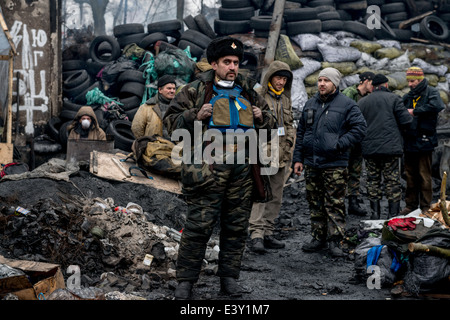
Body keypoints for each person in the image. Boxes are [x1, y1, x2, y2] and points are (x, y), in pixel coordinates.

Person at [163, 36, 276, 299]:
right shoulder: (194, 90)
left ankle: (229, 280)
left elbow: (272, 126)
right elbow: (170, 124)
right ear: (214, 64)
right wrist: (194, 115)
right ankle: (186, 282)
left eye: (236, 62)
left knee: (236, 228)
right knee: (199, 226)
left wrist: (263, 118)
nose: (232, 67)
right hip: (208, 169)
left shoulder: (248, 90)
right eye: (227, 62)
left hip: (243, 171)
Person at [293, 67, 366, 257]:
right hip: (311, 162)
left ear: (335, 83)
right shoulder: (311, 104)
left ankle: (335, 241)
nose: (321, 84)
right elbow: (301, 132)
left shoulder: (347, 105)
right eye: (319, 80)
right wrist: (298, 158)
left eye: (326, 81)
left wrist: (340, 144)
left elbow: (360, 128)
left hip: (334, 163)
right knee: (314, 202)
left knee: (334, 203)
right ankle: (318, 237)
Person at [248, 60, 295, 254]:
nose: (281, 82)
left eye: (284, 79)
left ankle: (267, 231)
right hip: (261, 154)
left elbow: (290, 123)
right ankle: (256, 234)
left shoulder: (285, 99)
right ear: (270, 77)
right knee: (260, 193)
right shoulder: (258, 96)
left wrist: (290, 142)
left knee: (276, 195)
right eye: (278, 78)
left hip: (281, 154)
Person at [358, 74, 412, 219]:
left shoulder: (362, 102)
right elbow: (406, 121)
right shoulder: (394, 99)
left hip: (370, 150)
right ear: (386, 85)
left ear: (373, 86)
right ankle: (393, 215)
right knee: (392, 181)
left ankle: (375, 215)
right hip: (390, 149)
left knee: (372, 181)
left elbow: (357, 125)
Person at [400, 67, 445, 215]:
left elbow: (437, 106)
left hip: (425, 141)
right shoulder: (408, 96)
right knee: (410, 175)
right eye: (408, 81)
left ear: (420, 80)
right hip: (410, 141)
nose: (410, 84)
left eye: (412, 81)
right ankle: (410, 205)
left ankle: (426, 206)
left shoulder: (431, 93)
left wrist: (415, 111)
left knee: (424, 175)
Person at [342, 71, 375, 217]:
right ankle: (339, 204)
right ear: (366, 81)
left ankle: (353, 203)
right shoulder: (350, 93)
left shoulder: (369, 98)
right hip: (347, 140)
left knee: (355, 172)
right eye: (372, 83)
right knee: (342, 172)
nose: (373, 87)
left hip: (359, 141)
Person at [131, 74, 176, 140]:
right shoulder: (147, 107)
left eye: (174, 89)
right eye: (169, 88)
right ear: (160, 90)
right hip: (154, 148)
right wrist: (146, 143)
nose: (172, 91)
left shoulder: (178, 107)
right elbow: (137, 128)